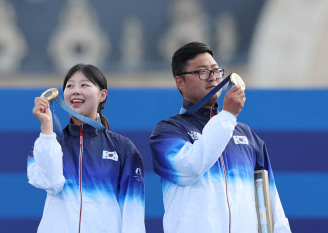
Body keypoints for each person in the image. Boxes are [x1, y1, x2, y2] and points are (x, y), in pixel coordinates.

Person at [150, 42, 291, 233]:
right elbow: (189, 169)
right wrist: (227, 116)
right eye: (202, 72)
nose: (213, 77)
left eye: (216, 71)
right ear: (180, 83)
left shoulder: (247, 136)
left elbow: (270, 203)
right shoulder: (168, 132)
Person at [28, 64, 145, 233]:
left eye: (84, 85)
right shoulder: (47, 144)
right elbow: (51, 184)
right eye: (70, 86)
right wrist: (46, 127)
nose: (76, 90)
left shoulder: (123, 148)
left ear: (102, 95)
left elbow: (133, 211)